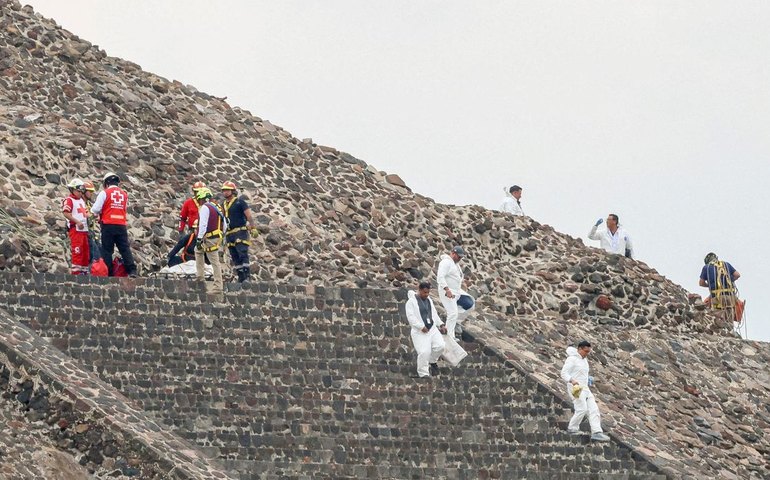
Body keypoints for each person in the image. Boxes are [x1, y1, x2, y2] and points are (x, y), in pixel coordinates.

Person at [560, 341, 610, 442]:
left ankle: (597, 432)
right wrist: (572, 380)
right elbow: (564, 373)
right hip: (575, 387)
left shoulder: (584, 360)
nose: (587, 353)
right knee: (581, 408)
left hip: (585, 387)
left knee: (594, 409)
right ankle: (572, 428)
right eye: (585, 351)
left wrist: (588, 378)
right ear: (579, 349)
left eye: (588, 351)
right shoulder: (572, 359)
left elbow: (581, 373)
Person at [90, 172, 138, 277]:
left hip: (108, 225)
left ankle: (108, 272)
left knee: (107, 250)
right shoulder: (124, 194)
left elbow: (95, 209)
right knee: (124, 248)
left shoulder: (105, 193)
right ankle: (132, 271)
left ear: (106, 183)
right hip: (121, 225)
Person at [404, 282, 447, 378]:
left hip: (432, 329)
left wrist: (441, 324)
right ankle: (423, 374)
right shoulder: (411, 302)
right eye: (424, 292)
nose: (426, 295)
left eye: (428, 293)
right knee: (424, 352)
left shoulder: (429, 300)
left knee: (440, 346)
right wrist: (420, 327)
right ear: (419, 290)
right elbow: (411, 317)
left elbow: (434, 314)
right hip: (420, 332)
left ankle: (432, 361)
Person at [221, 181, 258, 283]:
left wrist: (253, 227)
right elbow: (222, 218)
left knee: (242, 252)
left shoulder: (240, 202)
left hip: (240, 231)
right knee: (234, 255)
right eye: (223, 190)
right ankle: (241, 276)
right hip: (229, 233)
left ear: (232, 191)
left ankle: (246, 275)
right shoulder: (223, 204)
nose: (225, 192)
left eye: (227, 190)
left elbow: (248, 215)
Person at [436, 246, 476, 338]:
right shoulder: (446, 262)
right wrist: (447, 289)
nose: (460, 259)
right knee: (453, 313)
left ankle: (455, 322)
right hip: (447, 291)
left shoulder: (455, 263)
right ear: (453, 253)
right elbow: (440, 277)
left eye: (461, 257)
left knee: (470, 303)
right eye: (459, 256)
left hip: (457, 291)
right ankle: (449, 336)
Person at [194, 188, 226, 295]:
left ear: (204, 198)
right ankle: (200, 277)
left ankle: (217, 286)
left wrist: (199, 239)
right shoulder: (217, 207)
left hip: (209, 237)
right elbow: (224, 223)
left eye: (199, 199)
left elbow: (203, 224)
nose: (199, 201)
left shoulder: (205, 207)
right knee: (198, 252)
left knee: (214, 260)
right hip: (217, 236)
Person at [699, 252, 741, 326]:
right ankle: (730, 331)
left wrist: (710, 285)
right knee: (729, 315)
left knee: (718, 317)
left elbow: (701, 283)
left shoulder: (707, 267)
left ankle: (721, 331)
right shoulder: (726, 264)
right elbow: (737, 275)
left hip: (717, 297)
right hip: (730, 296)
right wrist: (730, 281)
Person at [61, 179, 90, 275]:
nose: (80, 193)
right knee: (77, 251)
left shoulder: (81, 200)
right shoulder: (69, 200)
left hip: (84, 231)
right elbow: (66, 213)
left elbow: (84, 213)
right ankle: (76, 274)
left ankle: (84, 272)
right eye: (78, 191)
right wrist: (77, 222)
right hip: (75, 230)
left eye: (81, 191)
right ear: (72, 190)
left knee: (85, 253)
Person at [82, 180, 101, 263]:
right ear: (84, 191)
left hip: (91, 233)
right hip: (85, 234)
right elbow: (86, 217)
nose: (92, 193)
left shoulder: (89, 204)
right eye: (90, 191)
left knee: (100, 254)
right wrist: (93, 216)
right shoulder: (81, 204)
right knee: (95, 257)